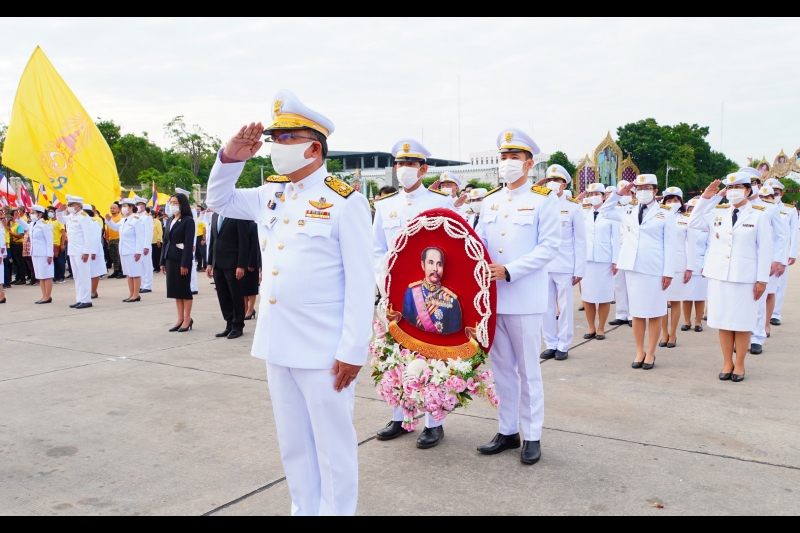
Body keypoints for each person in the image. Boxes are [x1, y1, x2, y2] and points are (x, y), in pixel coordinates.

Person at [205, 89, 373, 516]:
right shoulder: (271, 193)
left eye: (285, 138)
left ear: (313, 147)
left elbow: (360, 281)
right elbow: (218, 201)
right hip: (278, 343)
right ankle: (304, 509)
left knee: (332, 446)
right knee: (294, 443)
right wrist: (231, 157)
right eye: (274, 137)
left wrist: (353, 349)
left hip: (324, 350)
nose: (276, 145)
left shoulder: (345, 201)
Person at [475, 127, 560, 465]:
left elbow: (549, 247)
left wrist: (509, 270)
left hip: (524, 297)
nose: (507, 163)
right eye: (503, 157)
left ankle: (533, 435)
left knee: (528, 370)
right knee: (502, 370)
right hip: (493, 300)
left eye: (514, 157)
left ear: (529, 164)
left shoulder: (544, 198)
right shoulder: (491, 199)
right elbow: (478, 242)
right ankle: (507, 430)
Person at [372, 138, 457, 449]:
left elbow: (450, 251)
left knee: (431, 355)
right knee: (394, 355)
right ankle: (401, 416)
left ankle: (434, 422)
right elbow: (376, 250)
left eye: (409, 164)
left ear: (423, 168)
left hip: (429, 293)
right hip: (394, 293)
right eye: (399, 164)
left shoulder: (441, 203)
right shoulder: (384, 205)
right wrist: (383, 282)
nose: (403, 169)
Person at [688, 173, 771, 382]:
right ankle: (727, 362)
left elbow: (765, 250)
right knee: (724, 321)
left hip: (745, 278)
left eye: (738, 186)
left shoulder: (759, 215)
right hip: (719, 276)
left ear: (747, 190)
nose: (733, 190)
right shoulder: (718, 212)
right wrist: (708, 197)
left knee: (741, 322)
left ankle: (740, 363)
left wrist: (762, 280)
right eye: (730, 187)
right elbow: (694, 221)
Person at [600, 175, 676, 370]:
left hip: (655, 269)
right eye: (639, 188)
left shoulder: (665, 214)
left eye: (647, 187)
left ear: (655, 191)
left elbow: (670, 245)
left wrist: (668, 272)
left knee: (656, 312)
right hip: (632, 268)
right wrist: (619, 194)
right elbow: (604, 210)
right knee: (637, 313)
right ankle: (639, 351)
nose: (642, 191)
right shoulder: (628, 210)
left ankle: (651, 352)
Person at [538, 164, 586, 361]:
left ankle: (564, 344)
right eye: (549, 180)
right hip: (543, 264)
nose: (552, 184)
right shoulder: (540, 203)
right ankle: (550, 343)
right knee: (546, 306)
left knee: (565, 307)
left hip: (565, 264)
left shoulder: (573, 206)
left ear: (564, 184)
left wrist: (580, 268)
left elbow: (580, 240)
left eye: (556, 180)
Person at [740, 168, 787, 354]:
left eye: (753, 183)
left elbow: (781, 236)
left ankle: (757, 336)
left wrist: (778, 260)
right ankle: (741, 335)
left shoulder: (769, 208)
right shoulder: (733, 207)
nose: (750, 187)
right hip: (741, 261)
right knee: (741, 301)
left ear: (759, 186)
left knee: (758, 300)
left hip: (763, 262)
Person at [659, 187, 695, 348]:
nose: (672, 203)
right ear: (664, 202)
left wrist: (690, 268)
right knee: (661, 302)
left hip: (679, 264)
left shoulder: (687, 218)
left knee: (675, 301)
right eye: (669, 200)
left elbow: (691, 245)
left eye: (675, 200)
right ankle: (663, 333)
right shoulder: (658, 217)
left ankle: (672, 333)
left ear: (681, 202)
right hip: (660, 264)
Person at [581, 182, 618, 339]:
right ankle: (591, 327)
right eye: (590, 194)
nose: (593, 197)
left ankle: (601, 327)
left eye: (597, 194)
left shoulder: (612, 213)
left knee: (604, 296)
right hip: (587, 260)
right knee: (588, 297)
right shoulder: (583, 214)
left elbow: (616, 239)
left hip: (605, 260)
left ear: (604, 196)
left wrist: (616, 261)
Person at [206, 211, 250, 339]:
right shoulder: (215, 215)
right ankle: (229, 323)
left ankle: (238, 326)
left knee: (235, 295)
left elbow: (244, 242)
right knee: (223, 296)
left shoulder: (238, 214)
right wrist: (209, 263)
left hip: (233, 263)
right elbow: (213, 240)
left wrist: (241, 265)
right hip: (217, 263)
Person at [401, 247, 463, 334]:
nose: (435, 269)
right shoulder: (412, 292)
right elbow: (406, 328)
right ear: (423, 265)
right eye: (431, 263)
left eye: (439, 264)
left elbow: (454, 337)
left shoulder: (451, 299)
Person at [160, 194, 195, 332]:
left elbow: (188, 244)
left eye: (175, 202)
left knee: (184, 290)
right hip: (170, 259)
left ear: (182, 204)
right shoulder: (169, 220)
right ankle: (179, 318)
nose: (172, 205)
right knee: (176, 290)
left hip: (181, 259)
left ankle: (187, 318)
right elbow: (166, 241)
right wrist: (162, 260)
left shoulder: (188, 221)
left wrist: (185, 264)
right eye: (171, 202)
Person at [766, 178, 798, 325]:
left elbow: (793, 233)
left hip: (782, 253)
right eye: (770, 193)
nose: (773, 195)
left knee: (779, 284)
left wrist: (791, 254)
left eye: (776, 193)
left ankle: (775, 314)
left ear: (781, 194)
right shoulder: (761, 208)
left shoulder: (789, 210)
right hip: (765, 253)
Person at [58, 196, 95, 309]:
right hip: (73, 250)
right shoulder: (71, 216)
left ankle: (86, 300)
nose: (69, 207)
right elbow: (61, 220)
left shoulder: (84, 217)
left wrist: (86, 251)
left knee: (84, 275)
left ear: (78, 206)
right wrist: (59, 212)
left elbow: (88, 236)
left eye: (71, 205)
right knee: (77, 276)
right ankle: (80, 298)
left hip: (81, 251)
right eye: (69, 205)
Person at [106, 198, 144, 303]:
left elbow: (140, 237)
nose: (123, 208)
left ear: (131, 207)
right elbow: (115, 228)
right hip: (124, 250)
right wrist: (108, 220)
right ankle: (131, 293)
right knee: (128, 273)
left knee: (135, 273)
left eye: (125, 206)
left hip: (133, 250)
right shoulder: (123, 219)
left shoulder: (137, 219)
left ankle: (136, 294)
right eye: (122, 206)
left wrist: (138, 251)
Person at [15, 205, 54, 303]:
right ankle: (44, 295)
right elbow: (26, 227)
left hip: (44, 253)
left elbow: (49, 241)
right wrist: (19, 219)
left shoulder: (45, 225)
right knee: (40, 275)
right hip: (35, 253)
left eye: (33, 213)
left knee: (46, 275)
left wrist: (50, 255)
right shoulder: (33, 224)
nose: (31, 214)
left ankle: (48, 296)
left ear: (40, 214)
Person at [681, 198, 709, 331]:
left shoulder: (706, 226)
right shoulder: (683, 223)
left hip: (700, 264)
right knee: (686, 296)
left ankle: (698, 322)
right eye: (690, 209)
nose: (692, 211)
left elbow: (710, 246)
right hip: (685, 264)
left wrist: (706, 264)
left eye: (695, 209)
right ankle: (687, 321)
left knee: (699, 296)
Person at [176, 188, 200, 296]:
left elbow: (192, 229)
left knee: (190, 263)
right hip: (180, 244)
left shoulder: (192, 210)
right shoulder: (179, 211)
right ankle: (187, 285)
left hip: (190, 242)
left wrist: (193, 244)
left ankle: (193, 286)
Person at [85, 205, 106, 299]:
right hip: (84, 251)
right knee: (86, 272)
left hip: (94, 251)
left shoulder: (94, 223)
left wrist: (93, 252)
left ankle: (93, 291)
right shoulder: (82, 223)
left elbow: (96, 238)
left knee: (94, 272)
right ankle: (88, 291)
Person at [135, 197, 155, 294]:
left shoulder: (147, 217)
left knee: (146, 265)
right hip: (137, 245)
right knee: (140, 266)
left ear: (143, 206)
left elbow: (148, 233)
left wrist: (146, 246)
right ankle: (142, 284)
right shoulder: (136, 217)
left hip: (144, 245)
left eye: (139, 205)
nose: (138, 206)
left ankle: (147, 285)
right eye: (137, 205)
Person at [243, 220, 261, 321]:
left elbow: (255, 245)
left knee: (251, 287)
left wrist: (251, 262)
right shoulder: (241, 223)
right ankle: (245, 308)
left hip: (251, 261)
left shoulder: (253, 225)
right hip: (242, 261)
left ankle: (251, 309)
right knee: (243, 288)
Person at [45, 206, 66, 284]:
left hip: (58, 244)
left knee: (60, 261)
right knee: (54, 262)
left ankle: (61, 277)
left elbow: (63, 233)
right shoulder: (48, 222)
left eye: (52, 211)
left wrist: (62, 244)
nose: (50, 213)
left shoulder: (59, 222)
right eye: (49, 211)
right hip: (51, 245)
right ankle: (55, 276)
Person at [106, 202, 123, 278]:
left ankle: (121, 271)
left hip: (118, 238)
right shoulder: (110, 218)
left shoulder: (120, 217)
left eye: (114, 208)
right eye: (111, 208)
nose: (112, 210)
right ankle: (116, 270)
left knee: (119, 256)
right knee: (113, 256)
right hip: (111, 239)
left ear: (118, 209)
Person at [150, 207, 163, 274]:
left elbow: (160, 232)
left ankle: (158, 267)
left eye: (150, 215)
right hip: (151, 241)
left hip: (156, 241)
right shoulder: (149, 222)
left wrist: (159, 240)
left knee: (157, 255)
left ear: (153, 215)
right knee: (153, 256)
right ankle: (155, 267)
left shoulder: (157, 222)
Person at [196, 207, 207, 272]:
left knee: (203, 252)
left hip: (200, 237)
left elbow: (204, 229)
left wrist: (203, 239)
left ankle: (205, 266)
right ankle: (199, 266)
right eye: (196, 209)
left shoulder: (202, 219)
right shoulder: (196, 218)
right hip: (196, 237)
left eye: (198, 210)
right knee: (198, 253)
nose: (197, 211)